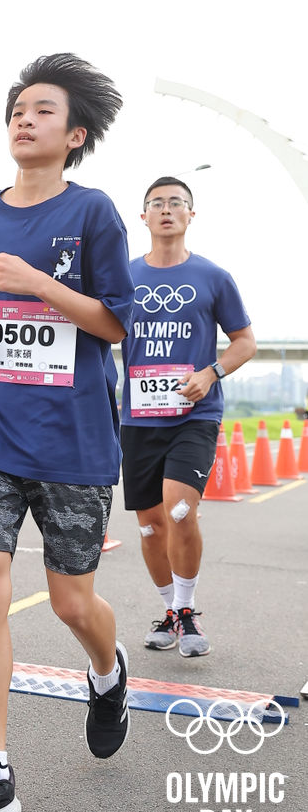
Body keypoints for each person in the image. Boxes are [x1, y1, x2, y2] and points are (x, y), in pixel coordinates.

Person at [0, 52, 135, 812]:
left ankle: (107, 671)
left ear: (74, 134)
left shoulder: (93, 212)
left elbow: (115, 324)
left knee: (70, 601)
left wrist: (38, 281)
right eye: (17, 109)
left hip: (73, 438)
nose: (24, 118)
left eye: (43, 110)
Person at [120, 177, 256, 657]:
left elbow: (245, 341)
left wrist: (211, 373)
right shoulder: (123, 275)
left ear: (190, 215)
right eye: (156, 203)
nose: (166, 209)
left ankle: (186, 608)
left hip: (193, 416)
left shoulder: (213, 276)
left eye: (176, 202)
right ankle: (169, 611)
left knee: (179, 509)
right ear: (143, 216)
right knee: (150, 525)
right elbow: (96, 329)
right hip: (138, 418)